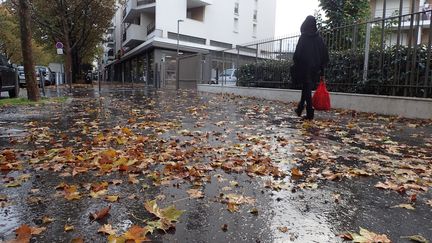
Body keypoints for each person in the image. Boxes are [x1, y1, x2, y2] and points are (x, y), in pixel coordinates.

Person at [293, 16, 329, 120]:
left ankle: (309, 112)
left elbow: (297, 54)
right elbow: (325, 55)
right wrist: (321, 69)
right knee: (306, 88)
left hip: (304, 68)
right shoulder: (319, 39)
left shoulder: (303, 37)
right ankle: (300, 108)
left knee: (306, 89)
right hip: (315, 69)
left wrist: (297, 64)